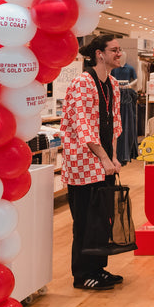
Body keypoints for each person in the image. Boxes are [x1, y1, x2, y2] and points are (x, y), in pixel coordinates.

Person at [61, 35, 124, 291]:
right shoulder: (81, 83)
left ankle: (98, 268)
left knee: (102, 219)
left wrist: (114, 157)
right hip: (84, 164)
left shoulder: (114, 84)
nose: (120, 54)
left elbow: (115, 123)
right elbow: (83, 126)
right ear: (99, 53)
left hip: (104, 163)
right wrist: (105, 158)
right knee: (85, 220)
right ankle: (82, 274)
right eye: (115, 50)